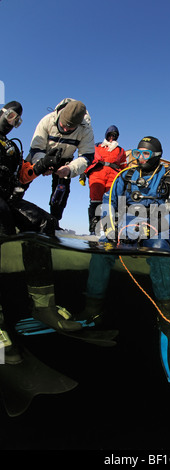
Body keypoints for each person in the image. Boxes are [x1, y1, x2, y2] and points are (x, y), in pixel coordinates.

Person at [0, 101, 82, 364]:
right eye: (11, 116)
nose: (13, 121)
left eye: (17, 120)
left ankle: (43, 306)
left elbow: (21, 177)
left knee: (45, 223)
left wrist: (38, 166)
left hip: (6, 198)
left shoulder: (12, 148)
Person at [77, 136, 170, 324]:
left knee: (160, 249)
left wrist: (160, 225)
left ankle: (166, 315)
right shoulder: (125, 175)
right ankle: (92, 310)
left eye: (145, 153)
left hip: (158, 223)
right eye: (138, 153)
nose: (140, 157)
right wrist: (110, 228)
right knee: (102, 250)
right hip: (127, 222)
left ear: (157, 155)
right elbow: (109, 201)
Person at [26, 98, 95, 223]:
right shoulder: (47, 120)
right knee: (24, 173)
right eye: (63, 126)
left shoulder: (86, 130)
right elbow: (36, 147)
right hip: (42, 153)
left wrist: (70, 169)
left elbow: (87, 157)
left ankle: (55, 220)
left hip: (66, 161)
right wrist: (41, 164)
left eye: (70, 128)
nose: (65, 130)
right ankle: (12, 200)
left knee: (62, 190)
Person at [84, 125, 127, 234]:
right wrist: (82, 174)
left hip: (113, 176)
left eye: (114, 135)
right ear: (106, 135)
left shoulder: (121, 151)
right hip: (97, 174)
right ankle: (94, 229)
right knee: (95, 201)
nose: (112, 137)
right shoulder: (97, 146)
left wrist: (125, 180)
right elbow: (87, 160)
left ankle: (110, 229)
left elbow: (124, 167)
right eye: (110, 135)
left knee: (110, 202)